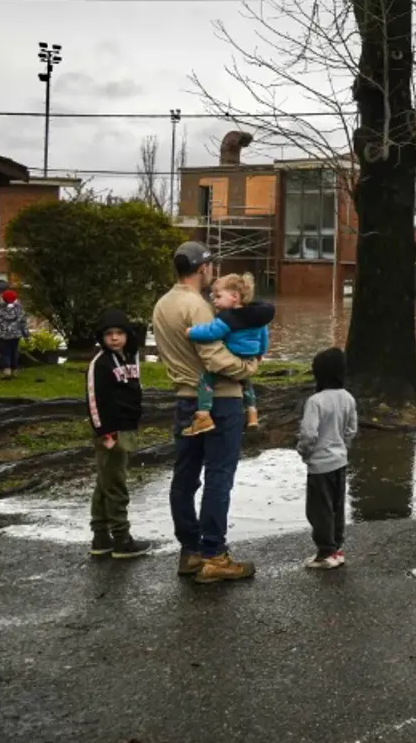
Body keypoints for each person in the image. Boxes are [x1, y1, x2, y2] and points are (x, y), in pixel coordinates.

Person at [152, 242, 259, 584]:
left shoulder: (162, 305)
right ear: (202, 269)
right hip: (219, 401)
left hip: (185, 401)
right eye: (209, 265)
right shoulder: (197, 306)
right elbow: (213, 358)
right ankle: (214, 554)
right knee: (218, 476)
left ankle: (191, 551)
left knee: (185, 476)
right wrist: (247, 368)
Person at [86, 309, 151, 559]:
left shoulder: (131, 358)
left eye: (119, 333)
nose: (114, 338)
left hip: (127, 427)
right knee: (116, 484)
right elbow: (94, 400)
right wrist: (104, 432)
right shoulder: (100, 364)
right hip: (110, 432)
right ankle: (122, 538)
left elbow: (135, 390)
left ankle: (101, 537)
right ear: (101, 337)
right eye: (109, 334)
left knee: (106, 482)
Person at [184, 272, 272, 435]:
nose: (214, 300)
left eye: (218, 296)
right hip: (249, 355)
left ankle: (203, 415)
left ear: (234, 296)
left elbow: (211, 332)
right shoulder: (257, 316)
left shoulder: (228, 318)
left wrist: (192, 332)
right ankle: (252, 413)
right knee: (245, 382)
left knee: (206, 379)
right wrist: (260, 353)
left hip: (232, 353)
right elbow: (264, 336)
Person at [298, 347, 358, 569]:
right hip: (340, 461)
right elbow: (351, 430)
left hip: (320, 464)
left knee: (318, 509)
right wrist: (343, 448)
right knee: (337, 506)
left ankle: (325, 551)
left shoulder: (315, 401)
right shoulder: (348, 398)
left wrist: (304, 452)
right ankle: (337, 548)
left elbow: (308, 434)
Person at [0, 288, 29, 380]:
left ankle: (7, 370)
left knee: (5, 352)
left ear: (3, 299)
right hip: (16, 334)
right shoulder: (19, 310)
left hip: (2, 335)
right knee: (14, 351)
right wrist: (26, 335)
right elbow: (23, 323)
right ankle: (14, 369)